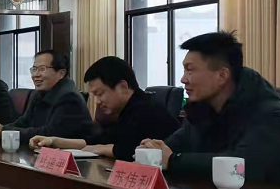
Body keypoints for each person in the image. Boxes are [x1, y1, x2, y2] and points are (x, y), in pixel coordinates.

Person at [140, 31, 280, 186]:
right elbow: (174, 146)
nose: (183, 79)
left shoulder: (268, 113)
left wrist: (173, 160)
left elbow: (242, 166)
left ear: (222, 76)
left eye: (190, 70)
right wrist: (152, 150)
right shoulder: (201, 109)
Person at [31, 56, 180, 160]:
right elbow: (95, 142)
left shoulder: (145, 109)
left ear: (122, 86)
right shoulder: (124, 111)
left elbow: (129, 151)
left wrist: (101, 148)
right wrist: (54, 141)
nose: (97, 102)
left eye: (100, 93)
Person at [0, 50, 94, 144]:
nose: (35, 75)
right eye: (34, 69)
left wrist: (3, 132)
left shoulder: (70, 98)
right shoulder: (39, 94)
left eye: (42, 69)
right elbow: (23, 122)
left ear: (61, 73)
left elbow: (49, 133)